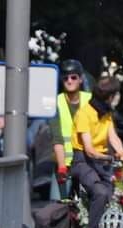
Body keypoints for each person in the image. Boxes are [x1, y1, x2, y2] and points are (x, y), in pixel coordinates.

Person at [70, 76, 123, 228]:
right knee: (100, 192)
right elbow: (89, 150)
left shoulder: (106, 114)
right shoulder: (84, 113)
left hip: (102, 160)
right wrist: (109, 158)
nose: (117, 98)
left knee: (116, 194)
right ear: (109, 97)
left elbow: (113, 138)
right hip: (83, 161)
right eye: (115, 95)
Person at [51, 59, 91, 198]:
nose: (69, 81)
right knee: (56, 205)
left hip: (88, 164)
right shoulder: (57, 102)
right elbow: (57, 138)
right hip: (65, 164)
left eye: (73, 77)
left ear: (80, 79)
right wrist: (62, 167)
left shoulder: (90, 100)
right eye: (65, 78)